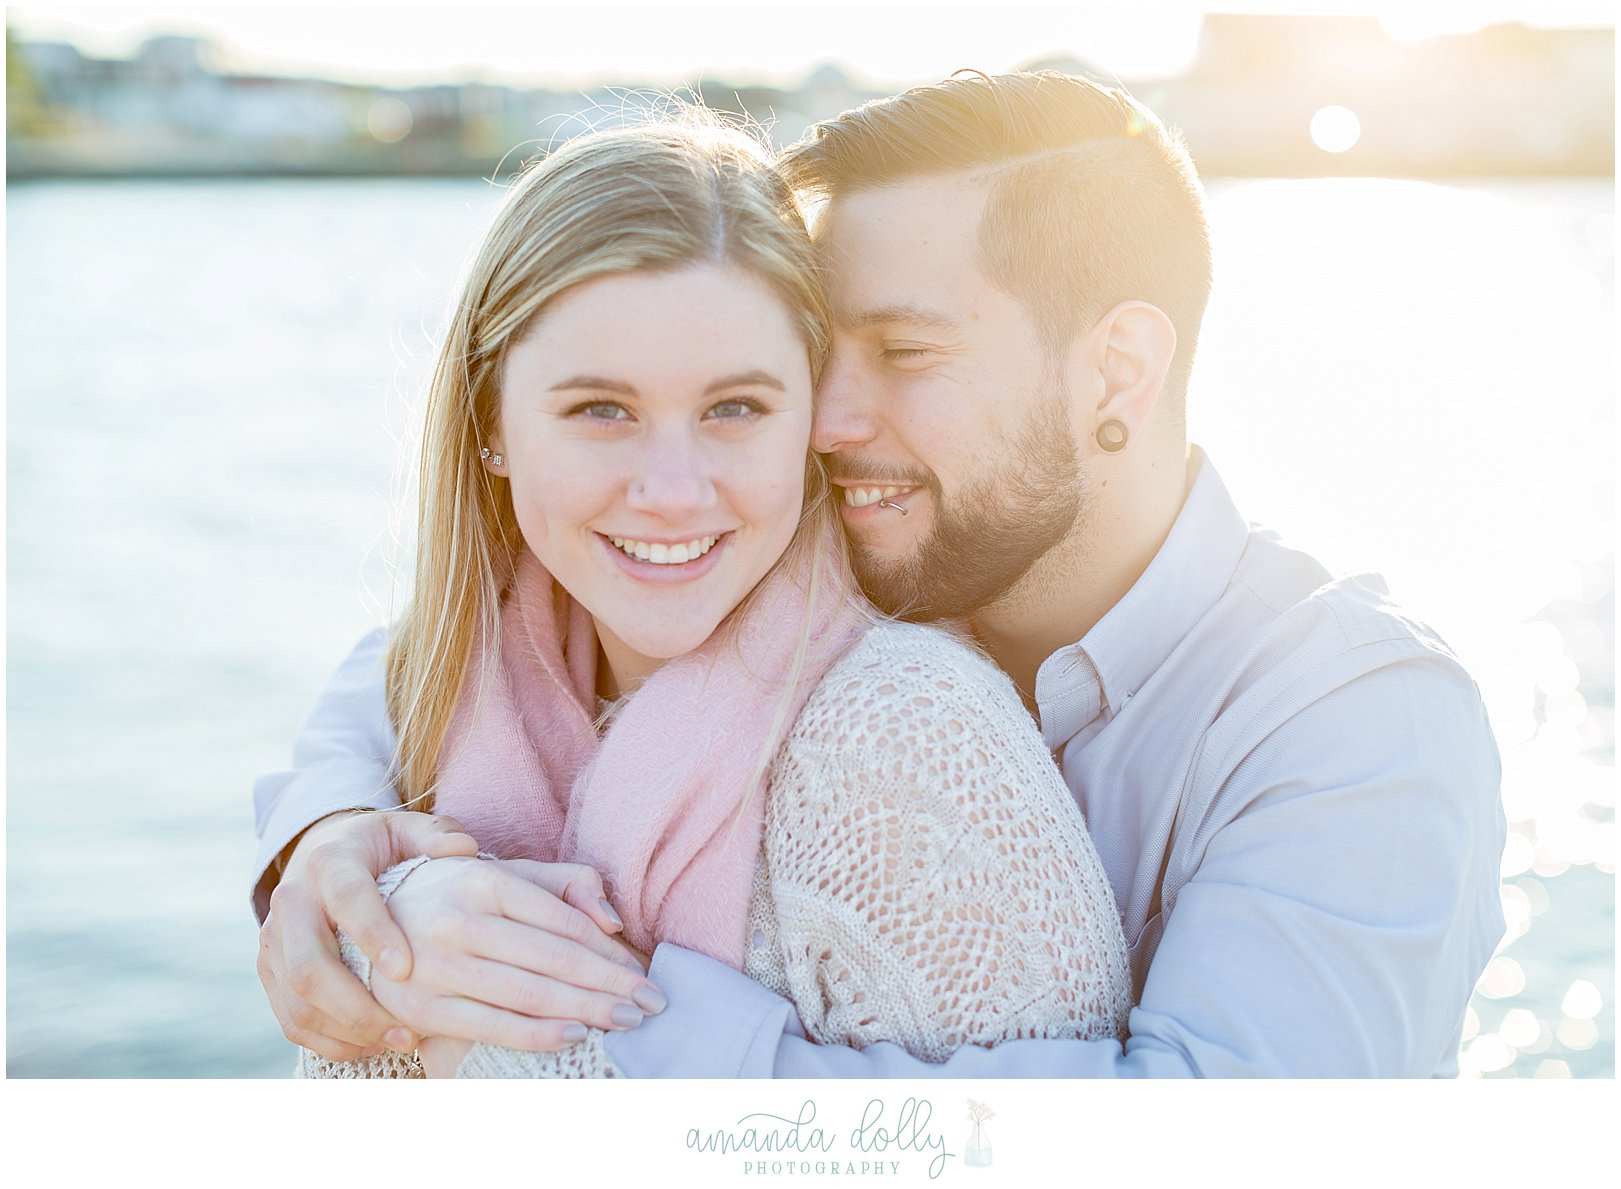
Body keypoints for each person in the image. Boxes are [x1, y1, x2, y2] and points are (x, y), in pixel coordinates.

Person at [255, 71, 1507, 1077]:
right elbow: (452, 646)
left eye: (904, 350)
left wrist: (576, 985)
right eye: (815, 355)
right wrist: (328, 836)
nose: (829, 419)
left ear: (1117, 372)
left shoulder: (1354, 720)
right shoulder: (885, 552)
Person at [287, 109, 1133, 1078]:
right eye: (601, 409)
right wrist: (367, 891)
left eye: (734, 408)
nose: (675, 490)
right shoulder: (430, 698)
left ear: (806, 417)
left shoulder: (906, 734)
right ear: (492, 425)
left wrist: (494, 1029)